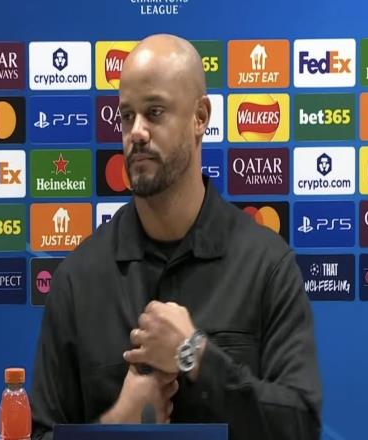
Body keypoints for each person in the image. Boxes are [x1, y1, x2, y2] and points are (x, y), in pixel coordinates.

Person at [30, 34, 322, 440]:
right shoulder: (78, 280)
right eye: (126, 116)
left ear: (200, 117)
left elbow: (301, 427)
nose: (136, 132)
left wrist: (195, 355)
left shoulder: (266, 266)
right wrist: (116, 426)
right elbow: (39, 432)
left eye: (154, 112)